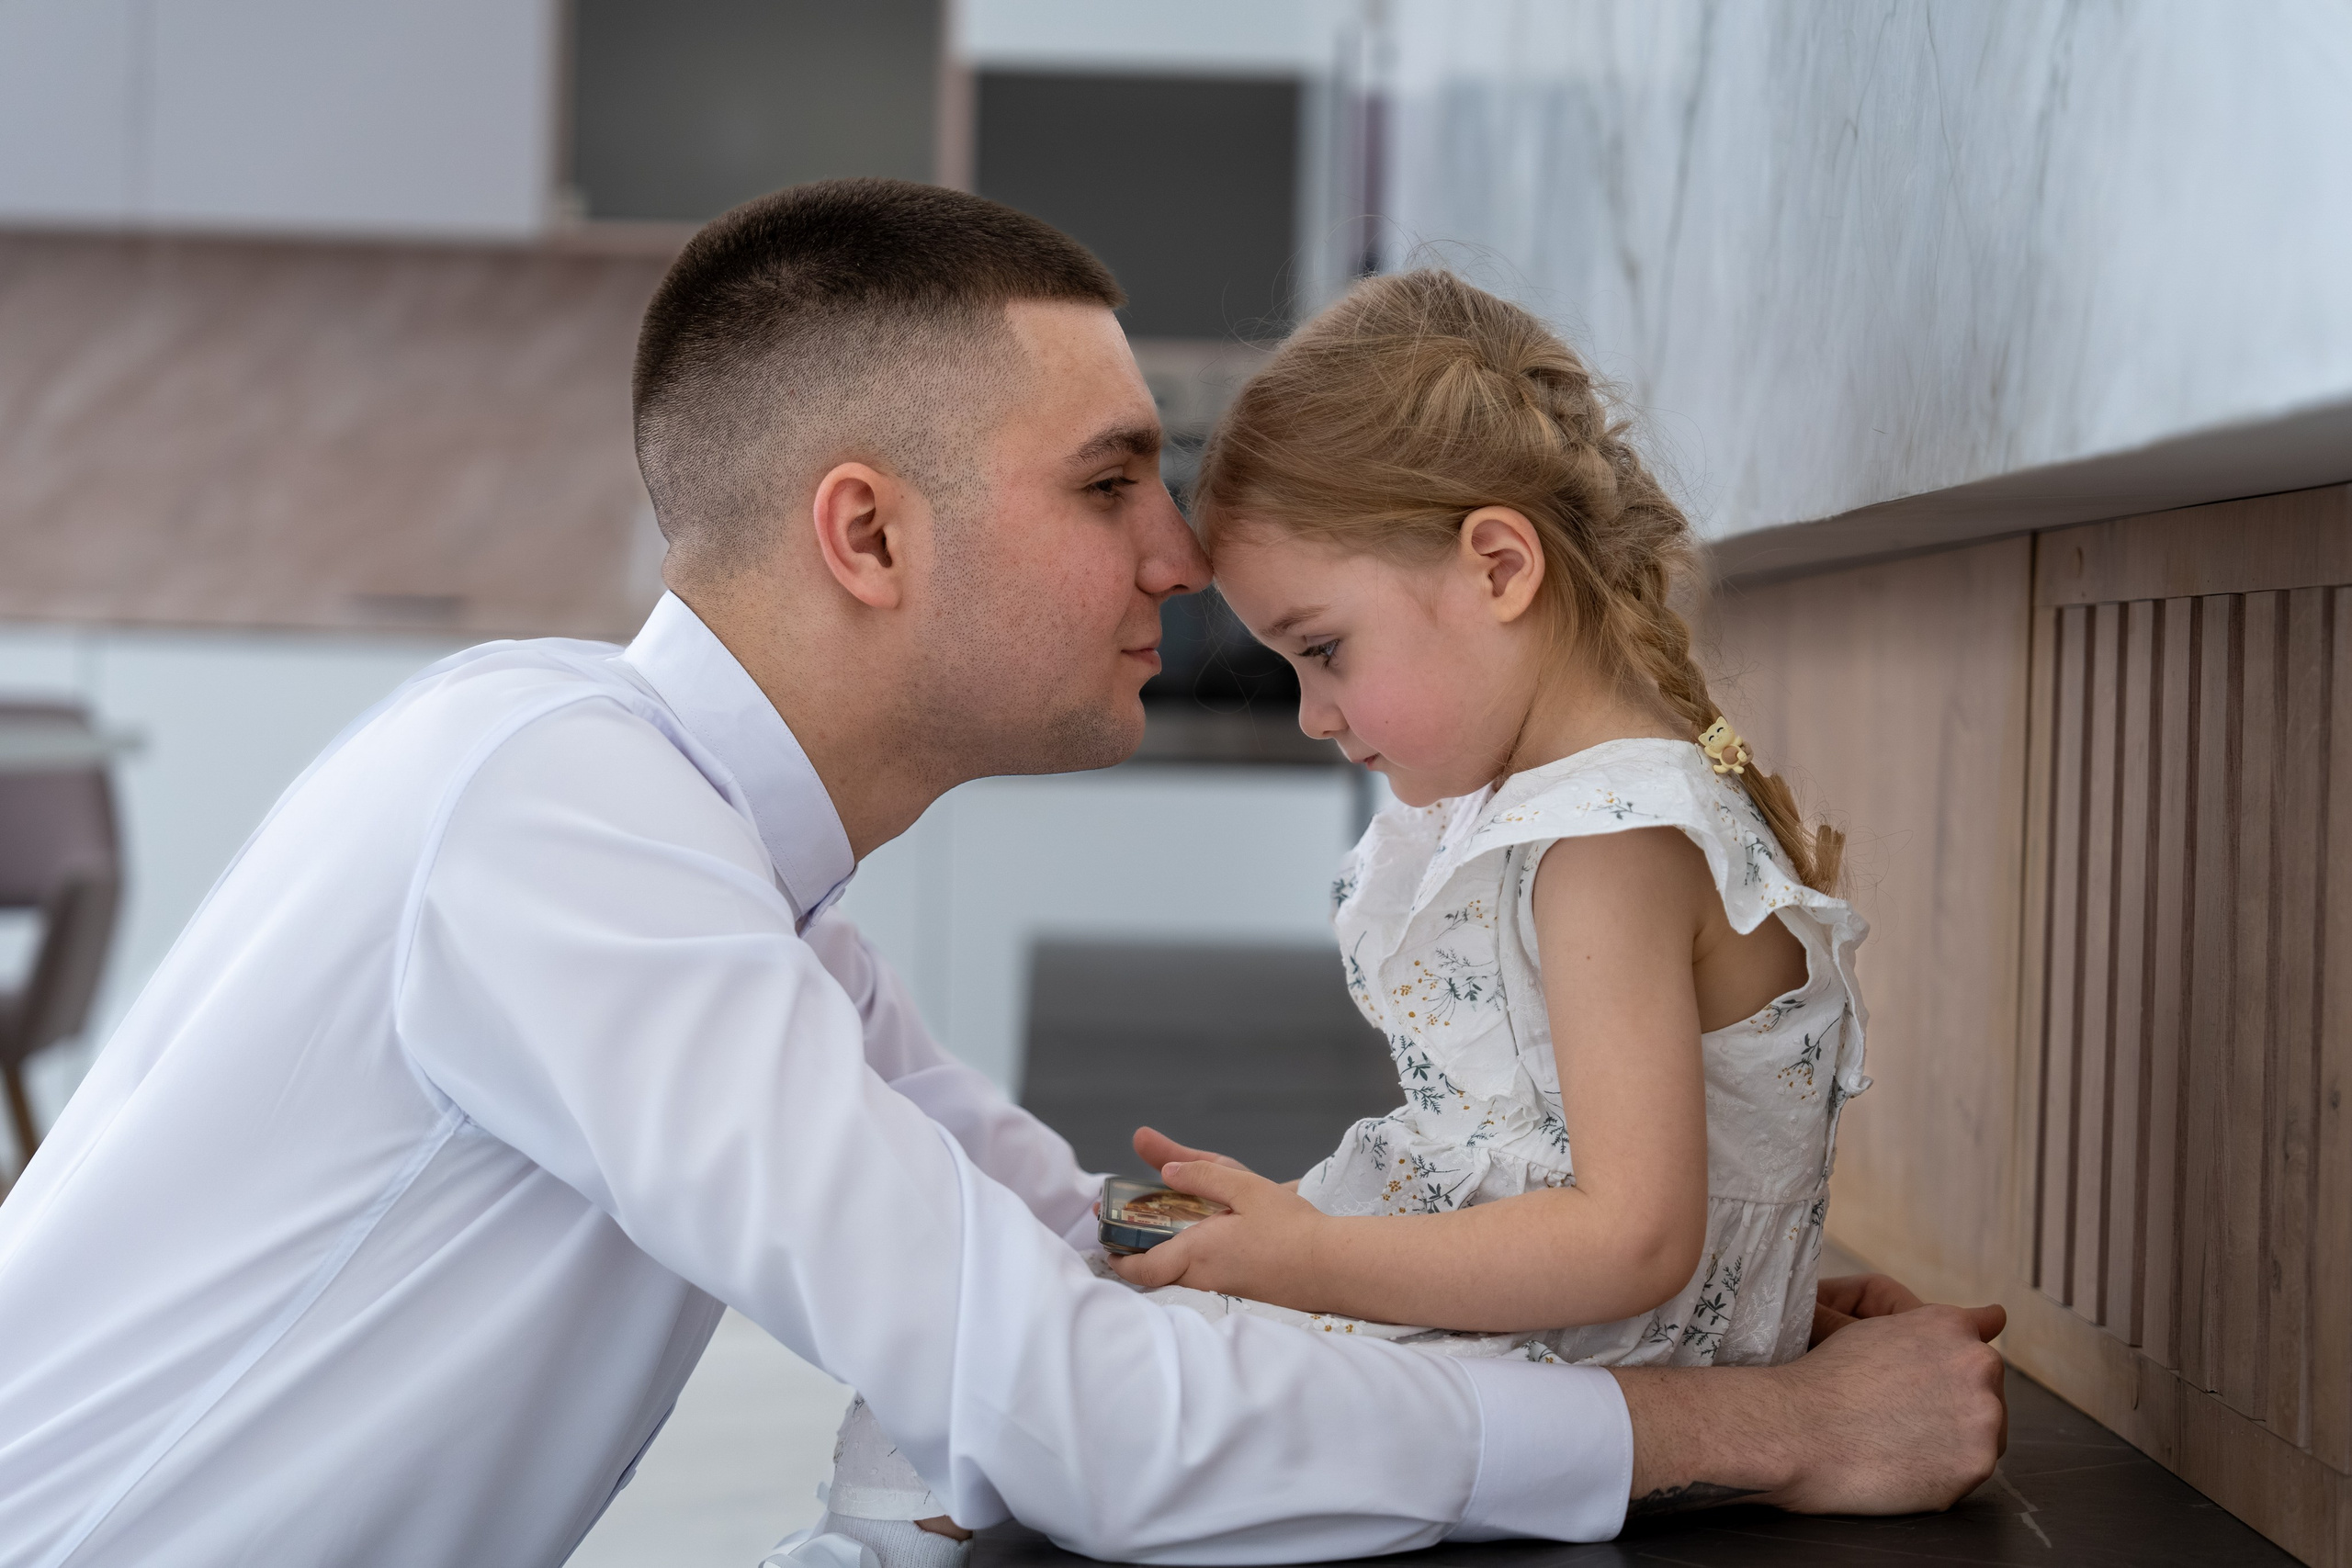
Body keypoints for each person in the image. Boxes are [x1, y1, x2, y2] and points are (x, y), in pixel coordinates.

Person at [0, 180, 2005, 1568]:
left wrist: (1660, 1300)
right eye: (1110, 479)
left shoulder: (689, 854)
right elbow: (1069, 1410)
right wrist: (1755, 1435)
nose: (1180, 557)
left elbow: (1069, 1253)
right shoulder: (563, 830)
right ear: (865, 537)